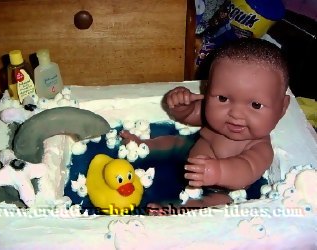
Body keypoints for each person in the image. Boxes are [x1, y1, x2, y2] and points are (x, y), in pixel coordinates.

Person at [121, 38, 290, 210]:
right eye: (223, 98)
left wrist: (217, 172)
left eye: (255, 105)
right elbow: (191, 115)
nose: (235, 114)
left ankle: (174, 209)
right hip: (187, 155)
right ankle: (143, 146)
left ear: (282, 107)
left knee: (216, 202)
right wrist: (182, 107)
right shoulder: (213, 115)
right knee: (174, 141)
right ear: (208, 91)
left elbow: (245, 171)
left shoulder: (260, 148)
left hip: (222, 189)